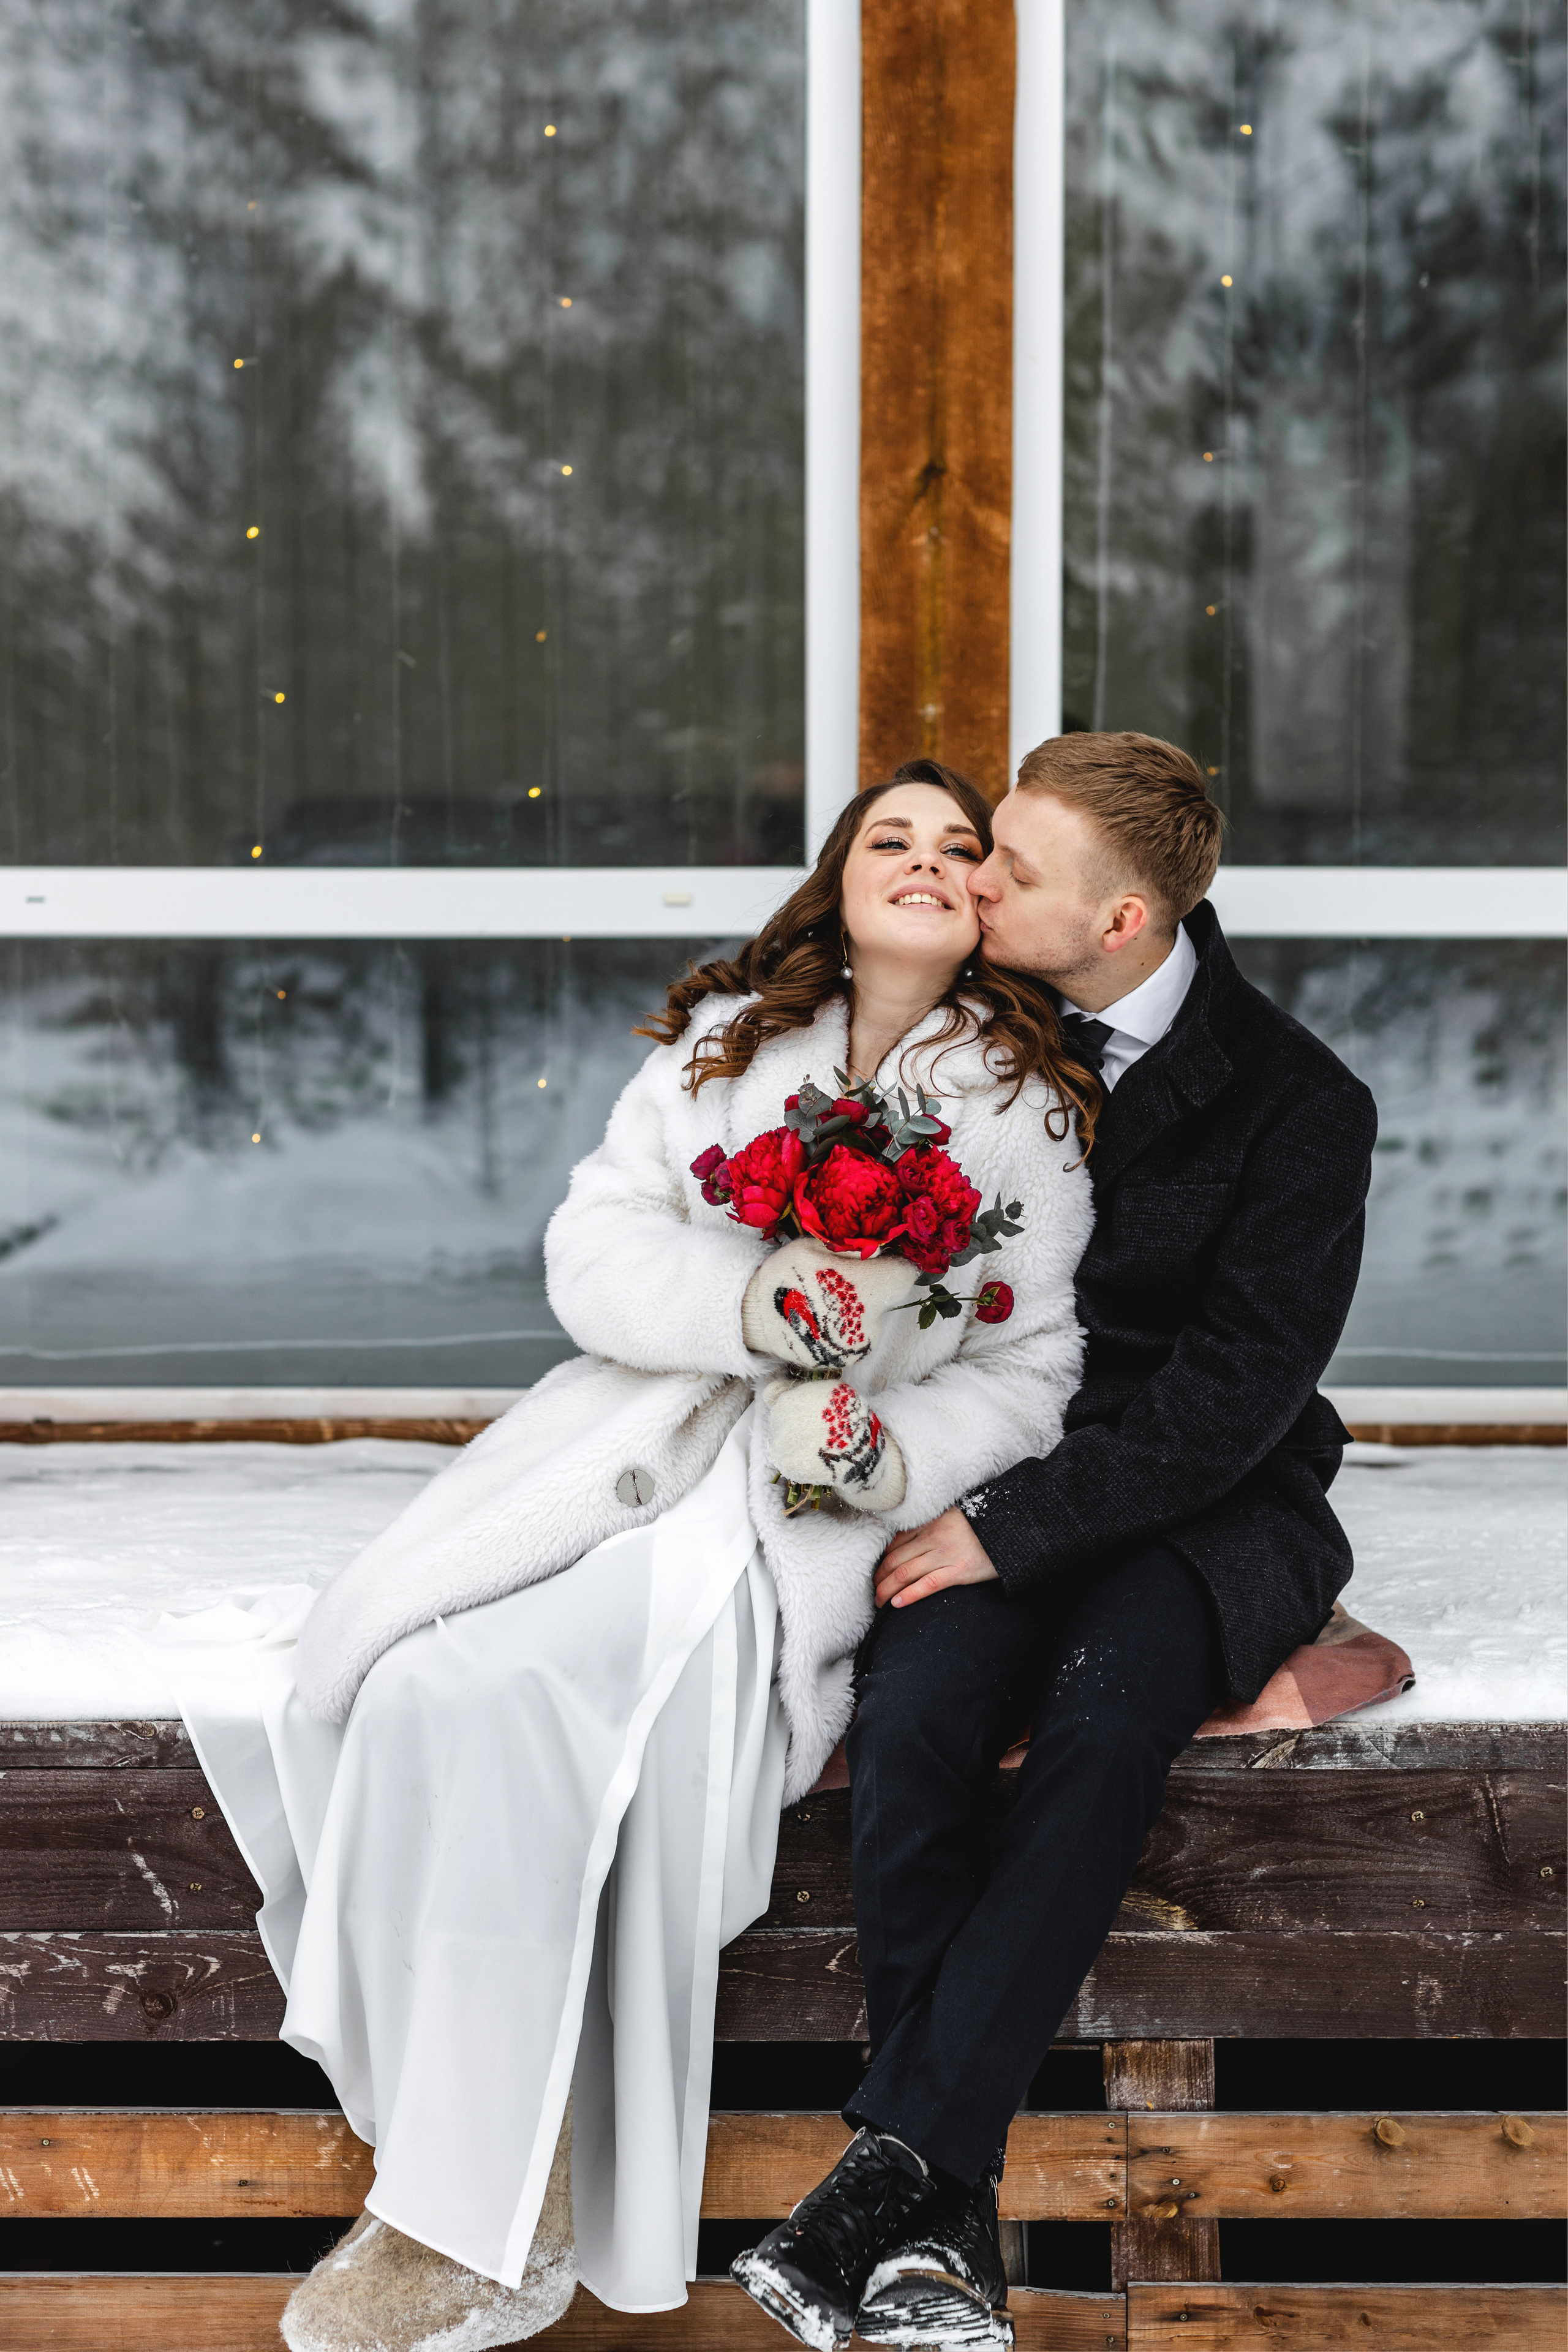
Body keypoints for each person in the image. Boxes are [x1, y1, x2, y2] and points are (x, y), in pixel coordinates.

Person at [159, 760, 1095, 2352]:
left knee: (529, 1703)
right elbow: (592, 1246)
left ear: (997, 899)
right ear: (840, 873)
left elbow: (1036, 1367)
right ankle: (472, 2176)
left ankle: (462, 2215)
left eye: (960, 847)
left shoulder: (1026, 1113)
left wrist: (880, 1439)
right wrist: (751, 1302)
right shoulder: (725, 1051)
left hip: (788, 1516)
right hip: (620, 1451)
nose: (929, 863)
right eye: (895, 837)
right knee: (415, 1683)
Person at [731, 731, 1378, 2352]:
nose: (971, 878)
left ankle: (888, 2172)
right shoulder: (961, 1034)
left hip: (1207, 1502)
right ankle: (940, 2219)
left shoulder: (1303, 1104)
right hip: (981, 1461)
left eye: (1010, 867)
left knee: (1102, 1721)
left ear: (1122, 928)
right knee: (923, 1714)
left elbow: (1235, 1399)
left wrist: (1009, 1531)